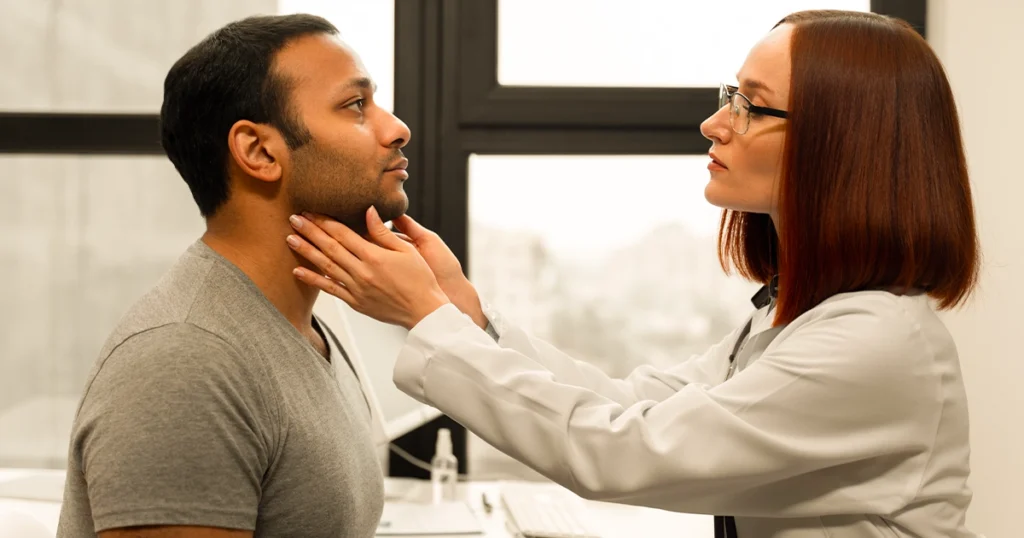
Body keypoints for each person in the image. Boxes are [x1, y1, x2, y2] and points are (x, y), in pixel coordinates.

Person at [285, 10, 980, 538]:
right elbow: (631, 402)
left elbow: (622, 453)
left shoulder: (872, 342)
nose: (714, 124)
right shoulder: (799, 315)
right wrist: (467, 315)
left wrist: (426, 320)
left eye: (751, 105)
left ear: (841, 145)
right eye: (727, 95)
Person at [57, 14, 412, 538]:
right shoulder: (186, 363)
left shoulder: (309, 331)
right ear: (259, 152)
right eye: (356, 105)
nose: (396, 128)